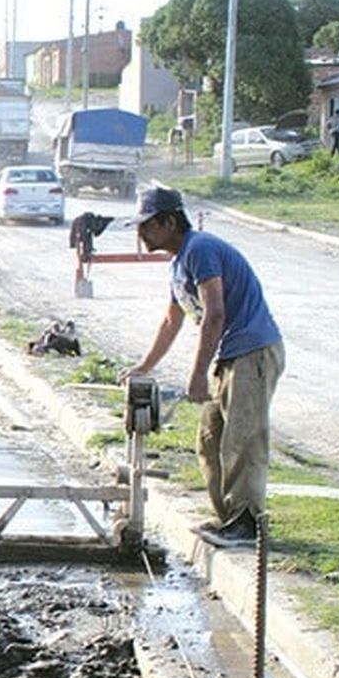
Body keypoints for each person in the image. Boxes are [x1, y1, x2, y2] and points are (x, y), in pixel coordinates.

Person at [122, 186, 284, 547]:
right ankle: (227, 518)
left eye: (146, 226)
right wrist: (144, 366)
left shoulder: (200, 249)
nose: (141, 234)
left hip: (252, 351)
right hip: (229, 356)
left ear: (168, 221)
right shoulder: (178, 264)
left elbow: (215, 312)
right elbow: (171, 321)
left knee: (243, 438)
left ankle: (247, 523)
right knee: (210, 440)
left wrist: (196, 374)